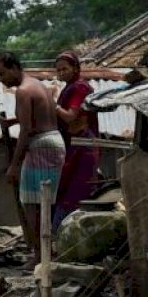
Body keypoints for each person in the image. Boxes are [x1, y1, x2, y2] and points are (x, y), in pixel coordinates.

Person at [0, 52, 66, 270]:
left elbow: (27, 129)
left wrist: (14, 165)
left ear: (14, 68)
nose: (1, 79)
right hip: (53, 142)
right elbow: (39, 114)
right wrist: (13, 120)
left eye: (2, 74)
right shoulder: (36, 84)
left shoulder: (23, 91)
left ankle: (40, 255)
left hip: (41, 146)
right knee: (44, 201)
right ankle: (45, 252)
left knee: (33, 204)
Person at [53, 50, 99, 229]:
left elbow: (70, 116)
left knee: (77, 189)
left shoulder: (80, 87)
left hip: (83, 146)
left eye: (65, 69)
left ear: (76, 68)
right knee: (66, 188)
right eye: (58, 71)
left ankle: (69, 232)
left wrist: (53, 105)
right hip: (72, 146)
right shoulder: (70, 87)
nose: (61, 73)